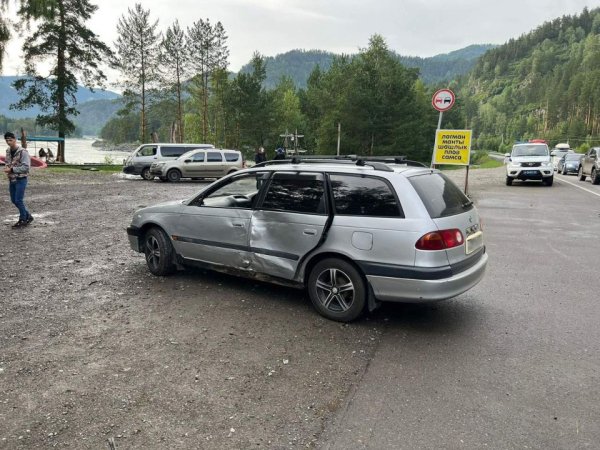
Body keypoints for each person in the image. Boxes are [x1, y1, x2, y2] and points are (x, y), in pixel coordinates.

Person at [4, 132, 34, 228]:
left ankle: (23, 219)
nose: (9, 142)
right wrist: (7, 168)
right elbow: (7, 162)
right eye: (7, 140)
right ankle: (28, 215)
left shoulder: (23, 152)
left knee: (18, 200)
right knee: (14, 200)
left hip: (21, 178)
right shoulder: (8, 151)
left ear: (15, 139)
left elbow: (26, 167)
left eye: (10, 140)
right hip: (12, 179)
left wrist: (12, 169)